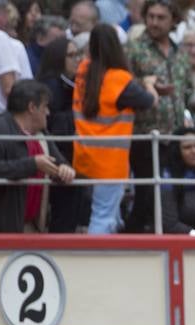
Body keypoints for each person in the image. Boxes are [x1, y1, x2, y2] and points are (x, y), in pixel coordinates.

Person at [73, 24, 153, 234]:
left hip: (84, 154)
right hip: (110, 161)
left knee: (108, 214)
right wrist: (150, 85)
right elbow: (148, 101)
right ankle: (95, 261)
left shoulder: (82, 71)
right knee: (103, 216)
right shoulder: (119, 78)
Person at [0, 79, 75, 232]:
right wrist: (32, 164)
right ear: (32, 107)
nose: (48, 112)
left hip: (32, 227)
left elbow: (58, 162)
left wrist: (65, 169)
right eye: (45, 107)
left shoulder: (41, 135)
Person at [126, 0, 192, 233]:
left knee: (171, 195)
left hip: (174, 136)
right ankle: (132, 238)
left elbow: (187, 95)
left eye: (160, 17)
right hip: (144, 135)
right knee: (146, 195)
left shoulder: (180, 53)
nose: (154, 22)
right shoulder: (133, 48)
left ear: (174, 20)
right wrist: (146, 87)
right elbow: (122, 87)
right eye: (150, 16)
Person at [37, 33, 86, 233]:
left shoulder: (70, 83)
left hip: (72, 153)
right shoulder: (52, 85)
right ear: (58, 58)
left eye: (78, 54)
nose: (78, 60)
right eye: (72, 55)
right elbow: (53, 125)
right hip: (59, 153)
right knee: (63, 212)